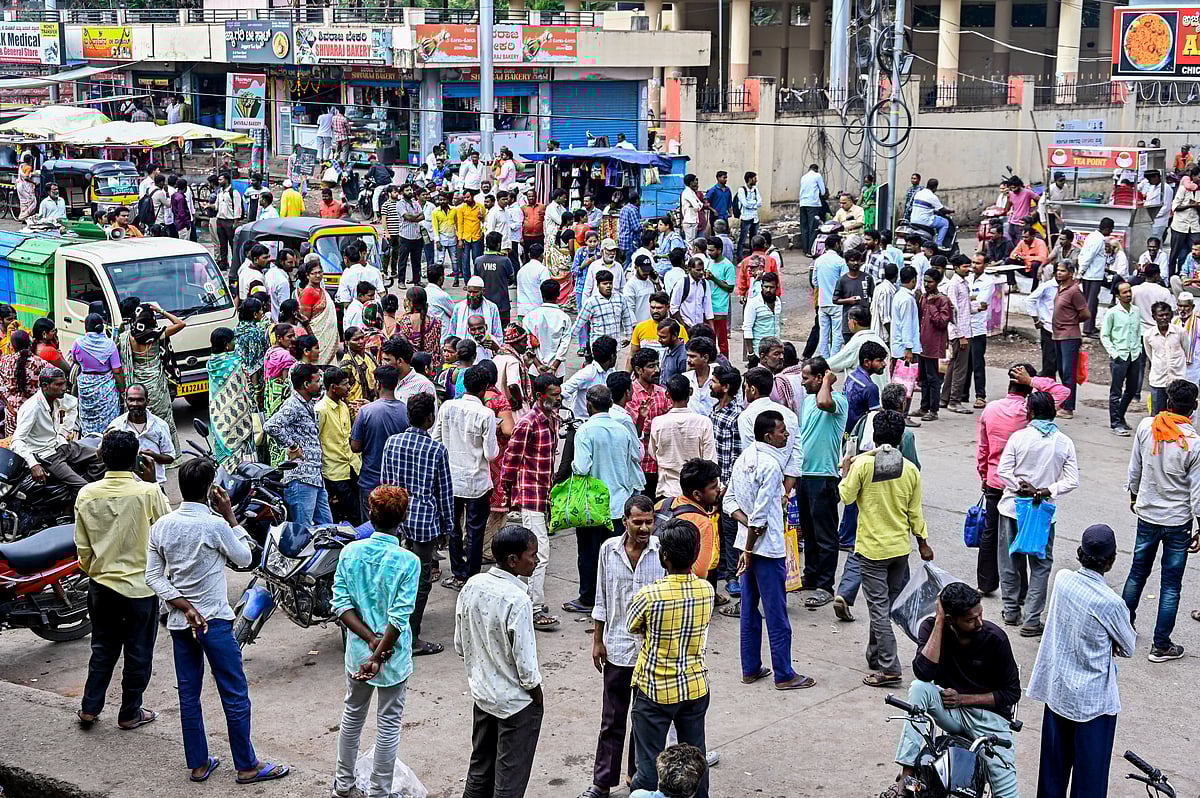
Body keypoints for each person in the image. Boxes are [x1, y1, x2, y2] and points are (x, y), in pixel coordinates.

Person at [144, 457, 288, 785]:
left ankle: (198, 764)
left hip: (181, 623)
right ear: (211, 490)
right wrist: (231, 516)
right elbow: (246, 558)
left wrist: (182, 604)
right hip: (215, 622)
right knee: (234, 693)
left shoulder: (162, 526)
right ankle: (247, 765)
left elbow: (153, 576)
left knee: (188, 694)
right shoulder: (215, 524)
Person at [1028, 524, 1137, 798]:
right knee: (1089, 784)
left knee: (1051, 777)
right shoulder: (1111, 603)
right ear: (1111, 561)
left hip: (1058, 692)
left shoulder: (1063, 579)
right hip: (1092, 704)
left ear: (1080, 553)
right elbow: (1129, 646)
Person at [882, 583, 1020, 798]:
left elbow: (1012, 693)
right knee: (919, 688)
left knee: (1007, 794)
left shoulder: (996, 638)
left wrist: (963, 699)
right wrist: (938, 621)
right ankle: (907, 774)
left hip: (989, 721)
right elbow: (924, 672)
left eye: (980, 614)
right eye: (970, 619)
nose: (979, 622)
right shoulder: (931, 627)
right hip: (951, 712)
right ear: (949, 618)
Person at [74, 429, 171, 731]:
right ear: (137, 459)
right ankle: (130, 712)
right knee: (138, 651)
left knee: (103, 647)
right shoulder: (149, 492)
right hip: (141, 588)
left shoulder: (86, 494)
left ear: (101, 456)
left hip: (101, 585)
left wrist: (97, 570)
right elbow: (168, 532)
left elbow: (83, 548)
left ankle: (90, 707)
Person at [329, 485, 420, 798]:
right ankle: (379, 791)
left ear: (371, 515)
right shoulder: (408, 561)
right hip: (391, 657)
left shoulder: (350, 552)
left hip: (358, 651)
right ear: (403, 518)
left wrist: (368, 642)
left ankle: (343, 785)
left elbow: (340, 604)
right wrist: (379, 655)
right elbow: (398, 618)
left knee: (352, 715)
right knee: (389, 724)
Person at [838, 409, 933, 687]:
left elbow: (846, 496)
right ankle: (875, 653)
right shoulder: (911, 469)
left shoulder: (864, 466)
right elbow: (915, 513)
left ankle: (890, 667)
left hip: (872, 550)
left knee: (879, 608)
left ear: (874, 437)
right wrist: (923, 543)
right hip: (900, 549)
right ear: (901, 438)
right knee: (885, 605)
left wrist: (846, 470)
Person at [725, 410, 817, 689]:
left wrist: (747, 523)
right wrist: (751, 543)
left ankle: (751, 667)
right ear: (769, 436)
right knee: (777, 613)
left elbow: (730, 501)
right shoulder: (771, 466)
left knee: (750, 611)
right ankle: (784, 673)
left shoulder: (744, 458)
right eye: (782, 432)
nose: (786, 436)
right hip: (764, 550)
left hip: (747, 544)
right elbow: (762, 518)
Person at [584, 495, 667, 798]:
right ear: (625, 522)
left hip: (651, 652)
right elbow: (601, 599)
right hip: (617, 648)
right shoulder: (608, 550)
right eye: (638, 522)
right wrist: (597, 640)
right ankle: (602, 783)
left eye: (649, 522)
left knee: (643, 722)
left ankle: (638, 777)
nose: (645, 528)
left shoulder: (662, 552)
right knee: (612, 720)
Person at [627, 518, 714, 798]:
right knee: (695, 759)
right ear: (696, 555)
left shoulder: (650, 596)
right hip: (694, 686)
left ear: (663, 556)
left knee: (650, 765)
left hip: (654, 689)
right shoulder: (707, 590)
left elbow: (633, 626)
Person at [455, 525, 544, 798]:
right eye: (532, 555)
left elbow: (460, 644)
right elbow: (526, 667)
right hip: (516, 704)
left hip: (483, 695)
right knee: (509, 780)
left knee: (480, 768)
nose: (537, 560)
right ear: (512, 560)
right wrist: (537, 696)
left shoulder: (473, 584)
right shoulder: (518, 600)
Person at [1123, 378, 1200, 663]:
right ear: (1193, 408)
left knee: (1137, 572)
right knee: (1170, 584)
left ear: (1167, 403)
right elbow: (1197, 492)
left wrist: (1134, 497)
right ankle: (1161, 645)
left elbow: (1135, 470)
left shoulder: (1146, 427)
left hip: (1147, 514)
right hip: (1178, 521)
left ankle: (1121, 628)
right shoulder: (1193, 443)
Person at [975, 365, 1069, 597]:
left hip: (996, 480)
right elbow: (1063, 392)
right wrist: (1034, 381)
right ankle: (1022, 591)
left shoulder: (991, 409)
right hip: (1025, 487)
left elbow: (983, 448)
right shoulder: (1030, 412)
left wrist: (983, 474)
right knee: (1024, 537)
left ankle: (986, 583)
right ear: (1028, 388)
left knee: (992, 534)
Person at [994, 390, 1079, 637]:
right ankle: (1032, 619)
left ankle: (1011, 611)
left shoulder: (1019, 438)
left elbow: (1004, 471)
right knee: (1040, 565)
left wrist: (1021, 487)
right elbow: (1072, 480)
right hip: (1043, 512)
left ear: (1029, 412)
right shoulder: (1064, 442)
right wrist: (1045, 490)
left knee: (1010, 561)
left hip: (1012, 508)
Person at [565, 385, 645, 613]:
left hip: (592, 506)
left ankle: (588, 597)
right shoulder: (622, 429)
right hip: (620, 503)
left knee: (589, 553)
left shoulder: (586, 431)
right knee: (618, 553)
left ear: (589, 405)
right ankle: (616, 598)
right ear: (610, 404)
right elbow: (635, 459)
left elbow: (581, 467)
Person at [500, 375, 563, 631]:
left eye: (559, 394)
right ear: (540, 395)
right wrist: (506, 490)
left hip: (543, 494)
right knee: (539, 552)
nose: (558, 398)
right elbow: (511, 458)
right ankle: (534, 606)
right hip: (530, 494)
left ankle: (530, 600)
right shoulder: (528, 423)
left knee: (537, 549)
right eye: (553, 394)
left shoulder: (552, 420)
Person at [433, 363, 498, 590]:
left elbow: (437, 440)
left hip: (451, 478)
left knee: (454, 528)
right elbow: (491, 454)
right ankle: (471, 575)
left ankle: (459, 573)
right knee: (475, 529)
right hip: (476, 481)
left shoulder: (447, 407)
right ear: (484, 389)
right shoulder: (486, 414)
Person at [794, 358, 847, 609]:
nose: (802, 382)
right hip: (804, 474)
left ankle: (826, 585)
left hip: (824, 476)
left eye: (807, 377)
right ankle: (811, 575)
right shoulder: (806, 402)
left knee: (826, 534)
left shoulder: (838, 402)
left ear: (820, 377)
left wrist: (828, 379)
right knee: (809, 531)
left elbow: (825, 402)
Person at [264, 363, 333, 528]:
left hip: (315, 477)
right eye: (317, 381)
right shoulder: (293, 405)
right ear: (306, 385)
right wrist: (292, 446)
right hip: (301, 479)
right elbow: (271, 426)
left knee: (328, 527)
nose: (320, 384)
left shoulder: (308, 403)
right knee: (303, 530)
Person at [106, 385, 175, 488]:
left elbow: (170, 457)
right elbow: (103, 457)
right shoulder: (116, 425)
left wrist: (154, 456)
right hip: (126, 487)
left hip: (154, 485)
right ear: (125, 400)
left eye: (140, 400)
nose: (135, 404)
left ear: (147, 401)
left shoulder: (160, 425)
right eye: (131, 400)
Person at [69, 314, 125, 437]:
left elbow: (75, 360)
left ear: (86, 329)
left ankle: (89, 445)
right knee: (109, 423)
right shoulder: (110, 345)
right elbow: (117, 370)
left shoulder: (78, 343)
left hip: (85, 387)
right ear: (102, 327)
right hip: (106, 388)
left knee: (88, 418)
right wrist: (122, 390)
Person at [316, 368, 359, 524]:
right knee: (352, 512)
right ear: (333, 387)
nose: (349, 388)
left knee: (358, 511)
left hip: (351, 467)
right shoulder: (321, 410)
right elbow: (315, 441)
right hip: (334, 472)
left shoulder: (343, 406)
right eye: (345, 384)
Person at [1102, 280, 1144, 434]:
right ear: (1118, 295)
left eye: (1129, 291)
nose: (1128, 295)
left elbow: (1139, 331)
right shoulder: (1112, 312)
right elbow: (1105, 335)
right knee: (1116, 392)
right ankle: (1115, 423)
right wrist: (1114, 353)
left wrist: (1139, 349)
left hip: (1134, 355)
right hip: (1119, 356)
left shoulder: (1136, 311)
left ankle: (1120, 416)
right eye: (1124, 292)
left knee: (1132, 389)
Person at [0, 330, 47, 438]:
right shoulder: (39, 362)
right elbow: (56, 376)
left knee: (13, 445)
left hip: (12, 414)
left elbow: (1, 389)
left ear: (12, 346)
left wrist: (10, 406)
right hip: (34, 412)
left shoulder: (4, 362)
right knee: (34, 444)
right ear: (29, 344)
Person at [1144, 301, 1188, 414]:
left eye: (1166, 315)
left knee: (1177, 414)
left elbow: (1187, 351)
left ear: (1171, 316)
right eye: (1160, 315)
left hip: (1177, 380)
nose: (1164, 318)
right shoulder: (1149, 335)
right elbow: (1150, 355)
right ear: (1154, 317)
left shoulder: (1180, 332)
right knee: (1157, 415)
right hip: (1158, 380)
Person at [965, 253, 995, 407]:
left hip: (978, 327)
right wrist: (970, 300)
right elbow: (966, 300)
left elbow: (981, 303)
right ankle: (963, 394)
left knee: (977, 363)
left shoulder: (988, 282)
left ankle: (980, 395)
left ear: (985, 265)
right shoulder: (967, 279)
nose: (974, 265)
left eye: (978, 263)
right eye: (973, 262)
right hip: (964, 326)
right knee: (964, 363)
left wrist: (968, 300)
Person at [297, 256, 338, 365]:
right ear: (307, 275)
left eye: (320, 272)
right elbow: (304, 320)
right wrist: (313, 341)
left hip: (327, 339)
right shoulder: (308, 292)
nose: (318, 275)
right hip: (317, 337)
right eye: (314, 273)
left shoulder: (321, 290)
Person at [910, 177, 954, 247]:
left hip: (913, 220)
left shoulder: (918, 193)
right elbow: (942, 210)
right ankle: (939, 244)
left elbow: (925, 207)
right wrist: (951, 211)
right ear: (935, 188)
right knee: (945, 222)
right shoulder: (932, 196)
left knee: (936, 218)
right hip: (924, 221)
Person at [516, 243, 551, 321]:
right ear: (542, 255)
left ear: (529, 255)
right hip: (537, 312)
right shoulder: (542, 270)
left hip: (522, 311)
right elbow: (547, 290)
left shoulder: (521, 270)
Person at [797, 164, 826, 253]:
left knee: (804, 227)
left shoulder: (803, 177)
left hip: (803, 204)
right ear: (816, 170)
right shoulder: (817, 176)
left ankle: (805, 249)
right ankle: (810, 250)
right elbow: (823, 191)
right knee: (813, 227)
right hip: (813, 204)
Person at [735, 172, 762, 261]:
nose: (756, 180)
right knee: (742, 239)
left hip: (755, 218)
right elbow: (745, 204)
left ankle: (753, 256)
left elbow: (760, 202)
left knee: (753, 239)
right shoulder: (742, 190)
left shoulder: (755, 189)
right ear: (749, 179)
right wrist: (754, 203)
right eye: (754, 178)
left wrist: (753, 203)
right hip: (746, 217)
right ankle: (739, 257)